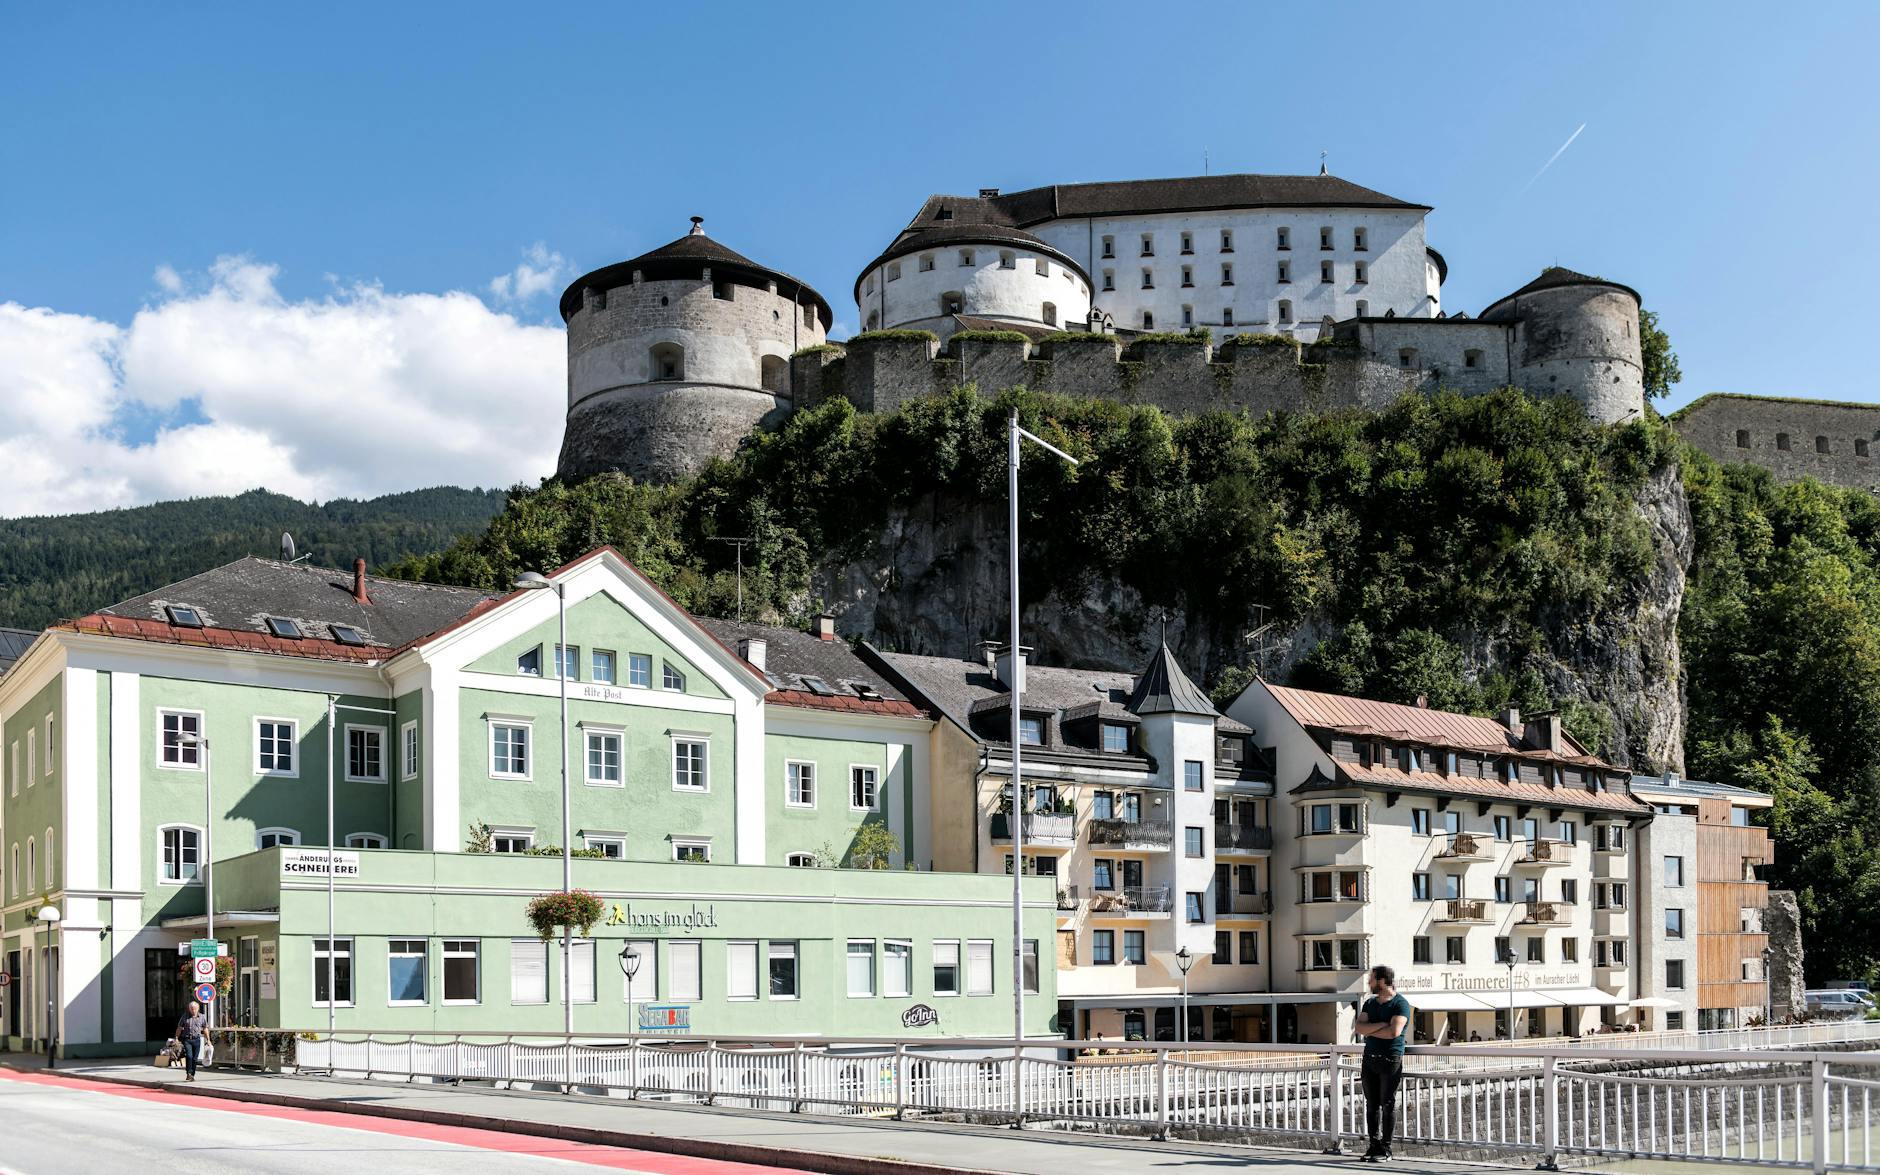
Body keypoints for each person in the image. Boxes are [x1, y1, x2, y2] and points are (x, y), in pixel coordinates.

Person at [1352, 964, 1411, 1162]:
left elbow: (1393, 1033)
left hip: (1390, 1059)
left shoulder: (1400, 1004)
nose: (1369, 982)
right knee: (1371, 1105)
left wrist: (1371, 1029)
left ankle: (1386, 1148)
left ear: (1383, 981)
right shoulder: (1370, 1003)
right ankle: (1373, 1145)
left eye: (1372, 978)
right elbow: (1359, 1028)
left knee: (1387, 1104)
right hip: (1370, 1059)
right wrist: (1381, 1025)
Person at [175, 1001, 207, 1082]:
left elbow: (205, 1028)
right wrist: (176, 1038)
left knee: (195, 1059)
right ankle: (188, 1073)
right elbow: (179, 1027)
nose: (193, 1011)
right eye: (192, 1009)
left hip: (197, 1039)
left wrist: (208, 1040)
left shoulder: (202, 1017)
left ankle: (192, 1075)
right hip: (187, 1039)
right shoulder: (185, 1016)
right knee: (189, 1056)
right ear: (189, 1009)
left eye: (195, 1009)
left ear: (198, 1009)